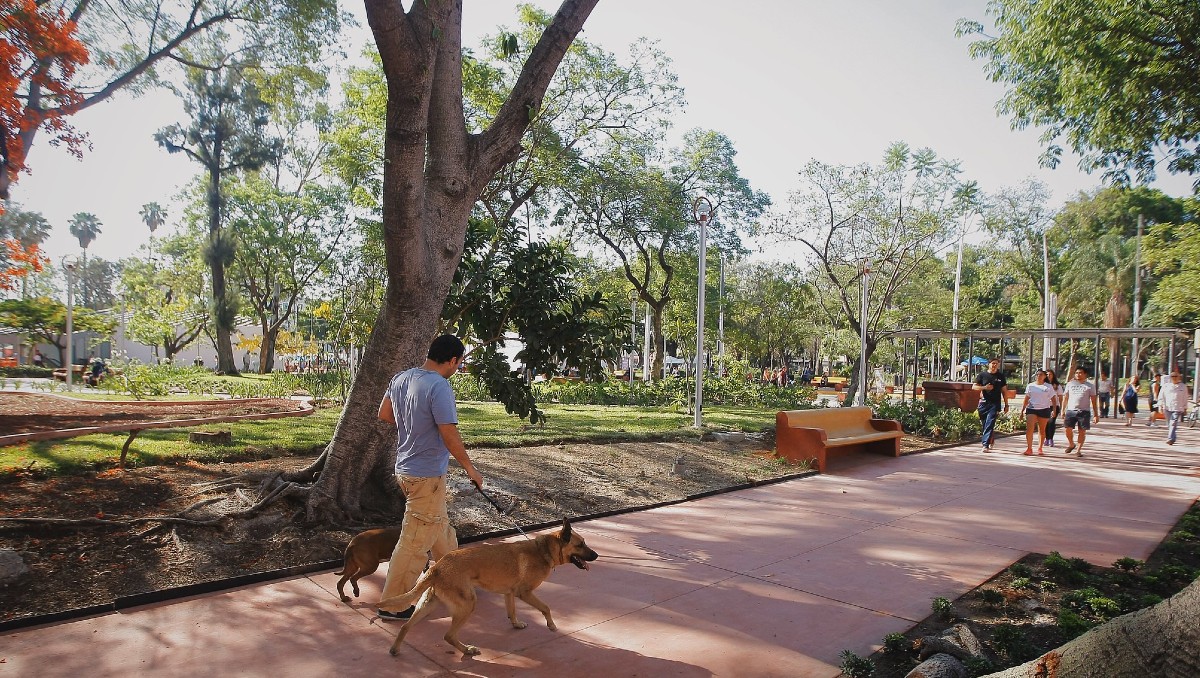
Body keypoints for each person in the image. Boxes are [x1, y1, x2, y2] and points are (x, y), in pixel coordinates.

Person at [376, 335, 484, 621]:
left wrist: (414, 426)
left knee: (440, 528)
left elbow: (384, 414)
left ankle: (459, 577)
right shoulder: (439, 386)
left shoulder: (401, 378)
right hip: (425, 476)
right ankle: (393, 604)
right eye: (459, 363)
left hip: (405, 470)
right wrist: (471, 469)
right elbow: (449, 433)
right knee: (413, 544)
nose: (457, 368)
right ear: (452, 360)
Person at [1060, 366, 1100, 457]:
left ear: (1085, 374)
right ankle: (1071, 444)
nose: (1078, 374)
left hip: (1084, 411)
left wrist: (1096, 415)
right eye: (1077, 373)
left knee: (1082, 431)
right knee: (1067, 429)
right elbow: (1065, 398)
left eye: (1080, 373)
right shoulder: (1070, 384)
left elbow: (1094, 401)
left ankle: (1078, 450)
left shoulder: (1090, 386)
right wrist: (1062, 410)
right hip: (1071, 410)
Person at [972, 357, 1009, 452]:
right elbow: (974, 387)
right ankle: (990, 440)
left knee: (990, 423)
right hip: (983, 404)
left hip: (995, 404)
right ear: (989, 364)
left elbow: (1004, 391)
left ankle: (985, 445)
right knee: (985, 425)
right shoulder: (982, 375)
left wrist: (1006, 404)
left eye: (996, 363)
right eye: (993, 363)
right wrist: (984, 387)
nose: (994, 365)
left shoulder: (1000, 376)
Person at [1019, 369, 1058, 456]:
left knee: (1042, 430)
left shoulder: (1048, 387)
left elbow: (1053, 399)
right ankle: (1029, 448)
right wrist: (1022, 410)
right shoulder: (1030, 386)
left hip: (1044, 409)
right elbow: (1026, 398)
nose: (1038, 376)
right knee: (1029, 429)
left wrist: (1054, 410)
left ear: (1044, 376)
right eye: (1037, 374)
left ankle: (1040, 448)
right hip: (1031, 409)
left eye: (1041, 375)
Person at [1161, 371, 1189, 446]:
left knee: (1173, 422)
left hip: (1177, 407)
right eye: (1172, 376)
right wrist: (1161, 405)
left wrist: (1185, 408)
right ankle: (1173, 437)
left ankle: (1170, 438)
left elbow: (1185, 398)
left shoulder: (1183, 386)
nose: (1174, 378)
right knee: (1169, 423)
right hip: (1167, 406)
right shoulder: (1166, 386)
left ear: (1179, 377)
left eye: (1176, 376)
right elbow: (1162, 396)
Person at [1043, 369, 1063, 446]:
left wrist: (1061, 407)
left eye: (1050, 374)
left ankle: (1051, 438)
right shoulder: (1043, 385)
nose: (1048, 376)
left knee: (1051, 422)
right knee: (1045, 423)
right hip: (1045, 406)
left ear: (1053, 375)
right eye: (1047, 374)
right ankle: (1046, 438)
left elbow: (1060, 397)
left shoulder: (1057, 386)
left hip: (1054, 406)